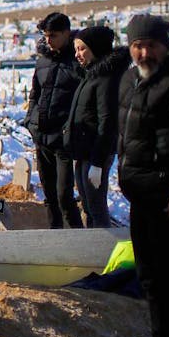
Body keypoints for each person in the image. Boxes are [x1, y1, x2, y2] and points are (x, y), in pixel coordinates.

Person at [113, 15, 169, 337]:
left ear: (165, 46)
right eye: (137, 46)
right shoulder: (130, 80)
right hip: (141, 198)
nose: (144, 53)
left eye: (151, 45)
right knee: (151, 278)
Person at [63, 26, 129, 228]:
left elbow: (107, 122)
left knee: (96, 208)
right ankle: (92, 244)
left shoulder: (106, 79)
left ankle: (103, 246)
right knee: (88, 206)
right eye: (76, 49)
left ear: (96, 48)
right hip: (84, 152)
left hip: (95, 154)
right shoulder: (91, 75)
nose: (77, 54)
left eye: (82, 49)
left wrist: (98, 163)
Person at [25, 12, 83, 229]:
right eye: (46, 36)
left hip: (63, 141)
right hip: (42, 137)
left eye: (53, 36)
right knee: (49, 196)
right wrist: (31, 122)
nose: (48, 40)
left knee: (64, 196)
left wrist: (69, 130)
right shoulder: (43, 61)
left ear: (67, 34)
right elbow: (35, 94)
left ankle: (78, 238)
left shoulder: (77, 63)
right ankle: (54, 236)